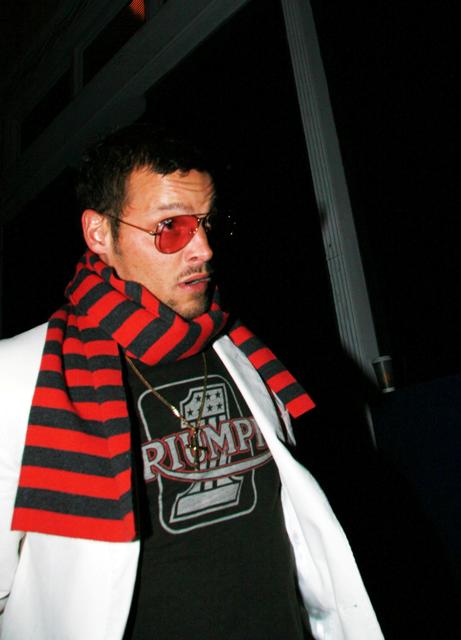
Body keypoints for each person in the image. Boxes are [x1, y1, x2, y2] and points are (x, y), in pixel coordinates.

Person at [0, 124, 383, 639]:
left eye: (208, 223)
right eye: (171, 228)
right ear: (99, 234)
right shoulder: (23, 375)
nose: (203, 248)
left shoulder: (241, 351)